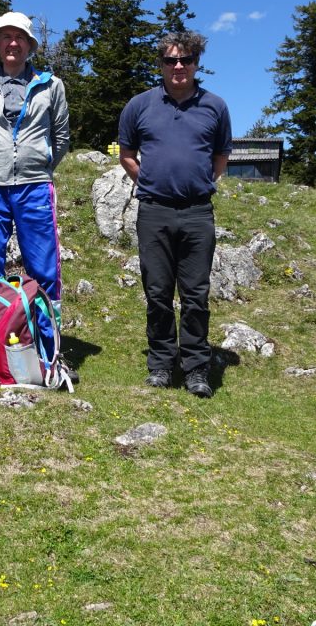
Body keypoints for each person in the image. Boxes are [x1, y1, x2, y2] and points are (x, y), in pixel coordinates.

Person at [117, 31, 232, 398]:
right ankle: (162, 365)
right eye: (171, 60)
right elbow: (127, 154)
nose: (178, 66)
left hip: (198, 212)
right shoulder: (140, 105)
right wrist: (150, 181)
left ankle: (197, 368)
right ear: (161, 65)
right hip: (154, 212)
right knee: (157, 293)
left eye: (185, 59)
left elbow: (220, 158)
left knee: (196, 294)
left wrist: (199, 181)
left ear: (197, 63)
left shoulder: (215, 106)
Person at [0, 11, 70, 317]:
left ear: (29, 45)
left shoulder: (51, 86)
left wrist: (44, 161)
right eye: (6, 37)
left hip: (35, 185)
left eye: (20, 37)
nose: (13, 43)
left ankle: (47, 346)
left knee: (44, 268)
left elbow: (61, 135)